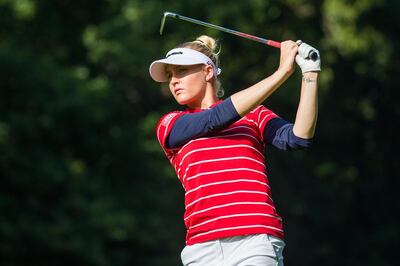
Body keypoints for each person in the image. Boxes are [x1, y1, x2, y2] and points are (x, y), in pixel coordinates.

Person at [149, 35, 320, 266]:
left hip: (255, 239)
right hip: (201, 248)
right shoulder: (170, 124)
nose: (173, 81)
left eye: (181, 71)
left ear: (208, 71)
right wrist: (281, 73)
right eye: (170, 75)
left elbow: (298, 138)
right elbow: (216, 118)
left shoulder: (254, 115)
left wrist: (310, 75)